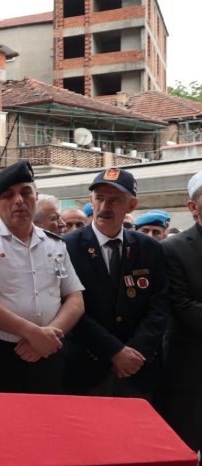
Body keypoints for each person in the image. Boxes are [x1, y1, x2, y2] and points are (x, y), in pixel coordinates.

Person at [0, 161, 84, 394]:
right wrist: (32, 333)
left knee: (46, 424)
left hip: (49, 352)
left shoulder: (55, 243)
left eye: (26, 192)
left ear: (35, 197)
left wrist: (48, 336)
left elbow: (75, 298)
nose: (19, 200)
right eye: (8, 195)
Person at [62, 168, 168, 400]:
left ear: (131, 205)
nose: (104, 207)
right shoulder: (66, 247)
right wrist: (114, 351)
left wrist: (136, 352)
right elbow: (67, 308)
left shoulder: (149, 249)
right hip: (86, 368)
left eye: (114, 200)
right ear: (91, 200)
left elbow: (160, 306)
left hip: (137, 370)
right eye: (99, 198)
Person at [159, 170, 202, 451]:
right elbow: (183, 306)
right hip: (191, 373)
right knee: (185, 449)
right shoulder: (173, 248)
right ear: (193, 207)